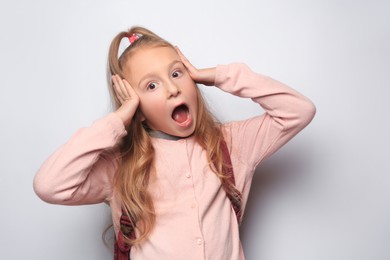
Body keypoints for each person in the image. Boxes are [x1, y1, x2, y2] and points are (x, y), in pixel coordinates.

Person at [33, 26, 316, 260]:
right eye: (151, 86)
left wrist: (219, 75)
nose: (172, 89)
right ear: (138, 110)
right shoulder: (120, 167)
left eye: (177, 73)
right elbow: (49, 185)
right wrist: (117, 121)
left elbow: (298, 111)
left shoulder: (232, 144)